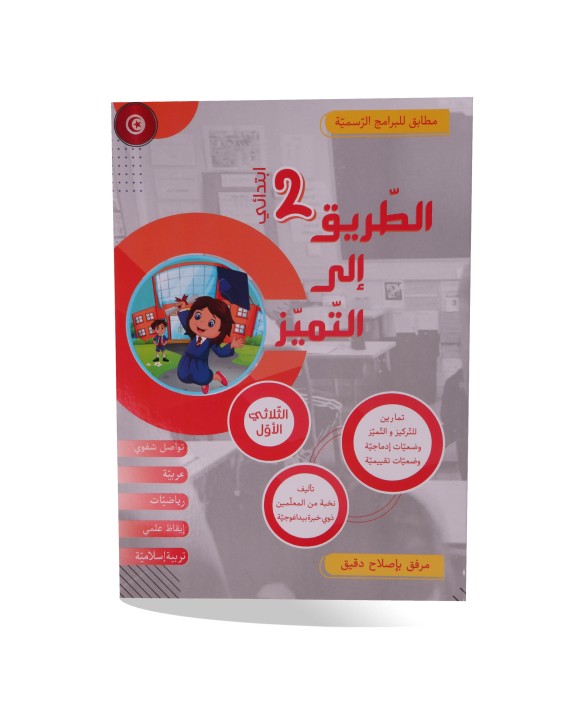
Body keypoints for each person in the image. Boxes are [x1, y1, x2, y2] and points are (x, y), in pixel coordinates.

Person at [176, 295, 244, 394]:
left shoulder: (211, 341)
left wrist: (231, 346)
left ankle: (215, 377)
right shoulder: (194, 335)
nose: (201, 323)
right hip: (186, 360)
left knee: (202, 378)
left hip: (200, 364)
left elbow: (220, 352)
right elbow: (186, 322)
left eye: (211, 323)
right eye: (198, 316)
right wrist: (183, 309)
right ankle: (203, 381)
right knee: (183, 376)